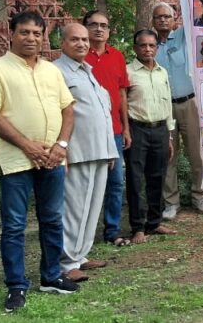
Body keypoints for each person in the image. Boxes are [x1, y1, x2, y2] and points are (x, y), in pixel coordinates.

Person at [0, 12, 79, 312]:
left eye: (37, 33)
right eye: (24, 32)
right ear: (11, 34)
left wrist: (61, 145)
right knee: (14, 226)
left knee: (52, 220)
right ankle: (16, 286)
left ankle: (51, 276)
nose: (31, 38)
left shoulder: (51, 71)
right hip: (16, 162)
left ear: (43, 37)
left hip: (52, 159)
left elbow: (68, 109)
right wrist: (28, 146)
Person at [54, 24, 120, 283]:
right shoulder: (57, 71)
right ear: (62, 43)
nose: (81, 44)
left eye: (84, 39)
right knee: (74, 209)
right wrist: (62, 148)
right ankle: (66, 262)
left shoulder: (87, 71)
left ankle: (80, 255)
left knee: (91, 208)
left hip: (100, 149)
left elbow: (102, 112)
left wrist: (110, 149)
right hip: (78, 151)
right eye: (74, 39)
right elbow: (56, 112)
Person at [152, 2, 203, 219]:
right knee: (168, 155)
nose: (163, 20)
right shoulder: (150, 44)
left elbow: (196, 15)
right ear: (153, 21)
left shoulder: (183, 37)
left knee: (196, 152)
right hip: (163, 107)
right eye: (158, 17)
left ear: (175, 18)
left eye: (167, 16)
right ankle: (171, 203)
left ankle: (199, 196)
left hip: (189, 103)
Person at [81, 10, 131, 247]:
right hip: (86, 131)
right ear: (85, 28)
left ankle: (112, 230)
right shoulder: (78, 55)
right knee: (88, 183)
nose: (99, 29)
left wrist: (126, 128)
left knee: (116, 181)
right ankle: (83, 233)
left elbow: (122, 94)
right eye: (94, 25)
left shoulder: (117, 56)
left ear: (109, 31)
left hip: (114, 130)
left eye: (104, 25)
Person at [125, 29, 179, 245]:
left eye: (151, 45)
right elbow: (122, 103)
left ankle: (154, 222)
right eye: (143, 45)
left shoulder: (162, 72)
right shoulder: (128, 72)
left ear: (157, 48)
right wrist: (126, 131)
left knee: (158, 177)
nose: (147, 49)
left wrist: (170, 136)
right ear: (135, 48)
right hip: (137, 129)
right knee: (136, 179)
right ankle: (138, 227)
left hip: (160, 130)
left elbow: (168, 104)